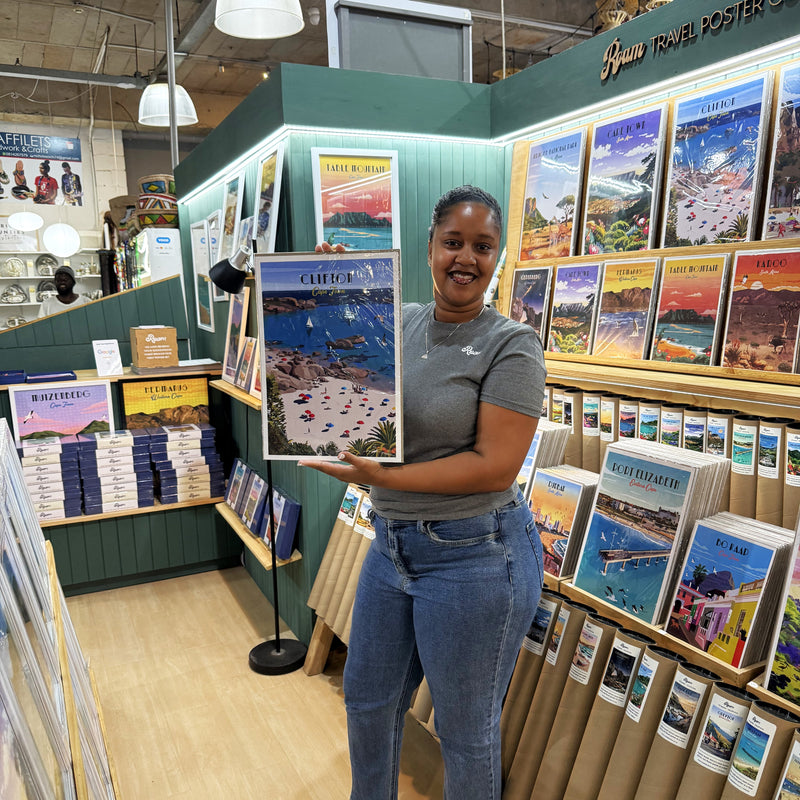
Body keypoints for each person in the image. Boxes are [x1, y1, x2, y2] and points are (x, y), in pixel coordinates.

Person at [301, 185, 546, 799]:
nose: (466, 258)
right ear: (430, 247)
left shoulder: (512, 344)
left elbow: (495, 467)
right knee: (368, 699)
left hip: (477, 555)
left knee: (465, 733)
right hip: (391, 546)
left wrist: (381, 478)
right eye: (453, 243)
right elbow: (333, 366)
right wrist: (329, 289)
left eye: (482, 247)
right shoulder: (398, 321)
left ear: (497, 256)